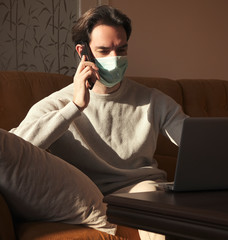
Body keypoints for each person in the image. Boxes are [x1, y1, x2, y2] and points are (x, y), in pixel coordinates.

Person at [1, 5, 188, 240]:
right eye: (104, 50)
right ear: (83, 52)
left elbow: (196, 140)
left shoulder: (152, 100)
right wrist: (74, 107)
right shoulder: (58, 103)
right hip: (88, 198)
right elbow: (15, 149)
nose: (115, 59)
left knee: (158, 214)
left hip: (143, 190)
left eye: (121, 49)